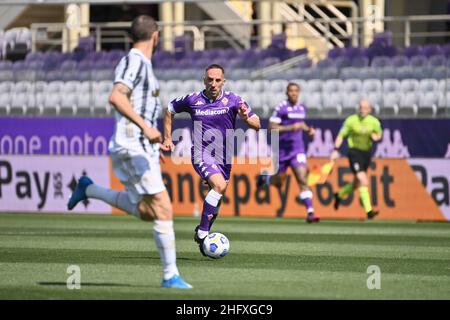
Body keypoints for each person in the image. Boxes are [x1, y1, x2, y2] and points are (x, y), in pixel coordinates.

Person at [67, 15, 192, 289]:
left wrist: (150, 141)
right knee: (163, 208)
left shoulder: (142, 63)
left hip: (139, 146)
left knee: (148, 211)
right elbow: (116, 96)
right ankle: (170, 275)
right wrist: (147, 129)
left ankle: (89, 189)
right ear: (155, 36)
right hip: (132, 145)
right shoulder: (135, 60)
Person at [162, 64, 261, 256]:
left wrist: (245, 116)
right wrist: (167, 137)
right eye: (210, 79)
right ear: (204, 80)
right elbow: (169, 109)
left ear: (223, 81)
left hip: (224, 157)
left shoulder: (234, 100)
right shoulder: (193, 100)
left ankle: (203, 231)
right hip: (201, 153)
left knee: (217, 199)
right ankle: (202, 231)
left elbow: (257, 124)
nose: (213, 83)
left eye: (217, 80)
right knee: (219, 186)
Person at [256, 83, 320, 223]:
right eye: (291, 91)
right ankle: (266, 179)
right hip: (281, 151)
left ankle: (310, 212)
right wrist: (291, 127)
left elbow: (301, 124)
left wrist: (309, 130)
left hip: (297, 149)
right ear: (287, 93)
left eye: (296, 91)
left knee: (302, 179)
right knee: (279, 182)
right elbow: (272, 127)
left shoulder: (302, 108)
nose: (293, 93)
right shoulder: (281, 108)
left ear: (299, 92)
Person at [330, 99, 382, 219]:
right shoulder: (351, 120)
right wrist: (335, 150)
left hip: (366, 154)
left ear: (369, 109)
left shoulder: (374, 122)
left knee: (355, 184)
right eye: (361, 107)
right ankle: (369, 212)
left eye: (365, 108)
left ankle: (339, 195)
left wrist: (376, 137)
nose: (362, 110)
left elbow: (379, 134)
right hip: (354, 152)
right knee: (363, 180)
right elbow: (341, 135)